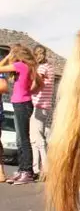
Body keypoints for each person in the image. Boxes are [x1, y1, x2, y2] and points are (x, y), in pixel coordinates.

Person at [0, 45, 39, 185]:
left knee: (23, 139)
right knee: (20, 139)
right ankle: (22, 169)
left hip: (22, 104)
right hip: (21, 103)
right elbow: (38, 84)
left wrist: (6, 57)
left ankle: (27, 171)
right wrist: (29, 91)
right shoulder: (26, 67)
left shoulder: (20, 65)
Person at [31, 45, 55, 181]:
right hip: (46, 106)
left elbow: (37, 84)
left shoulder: (41, 68)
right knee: (35, 138)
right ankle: (36, 168)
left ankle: (45, 169)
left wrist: (28, 92)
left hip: (38, 105)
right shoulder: (50, 67)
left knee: (38, 139)